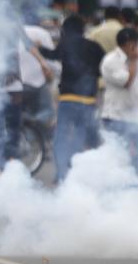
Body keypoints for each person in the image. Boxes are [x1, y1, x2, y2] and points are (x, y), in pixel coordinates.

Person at [32, 14, 105, 181]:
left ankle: (62, 173)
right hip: (88, 100)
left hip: (68, 99)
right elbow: (103, 68)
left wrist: (38, 47)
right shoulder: (94, 46)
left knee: (62, 138)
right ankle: (74, 173)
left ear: (65, 30)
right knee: (79, 136)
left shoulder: (65, 44)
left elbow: (51, 55)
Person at [99, 27, 138, 169]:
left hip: (133, 117)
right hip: (116, 117)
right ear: (129, 44)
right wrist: (134, 60)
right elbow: (127, 82)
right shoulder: (111, 60)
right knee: (118, 159)